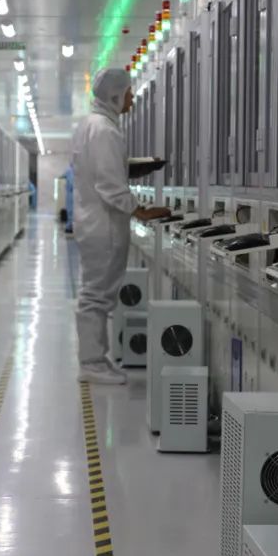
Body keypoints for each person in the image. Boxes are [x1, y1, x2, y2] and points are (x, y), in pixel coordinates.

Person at [72, 68, 170, 384]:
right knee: (96, 296)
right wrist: (141, 211)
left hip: (94, 222)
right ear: (114, 95)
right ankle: (91, 363)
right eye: (128, 93)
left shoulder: (91, 125)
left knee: (97, 294)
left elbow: (103, 171)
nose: (131, 99)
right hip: (104, 226)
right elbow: (110, 185)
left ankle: (96, 358)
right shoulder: (105, 131)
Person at [63, 164, 75, 235]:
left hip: (70, 194)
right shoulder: (70, 170)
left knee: (70, 210)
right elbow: (72, 183)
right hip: (71, 193)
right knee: (71, 210)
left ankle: (69, 226)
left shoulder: (69, 170)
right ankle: (70, 227)